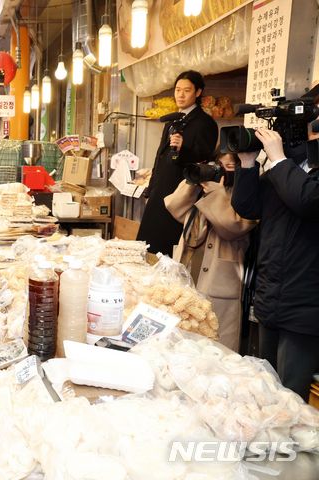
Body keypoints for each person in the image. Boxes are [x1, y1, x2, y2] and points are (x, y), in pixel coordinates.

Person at [231, 128, 319, 401]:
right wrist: (247, 163)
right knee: (267, 387)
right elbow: (247, 206)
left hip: (306, 304)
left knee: (291, 395)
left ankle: (293, 444)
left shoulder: (288, 168)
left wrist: (279, 159)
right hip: (271, 295)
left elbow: (307, 200)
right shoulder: (291, 167)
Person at [164, 151, 257, 351]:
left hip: (220, 278)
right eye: (219, 166)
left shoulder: (248, 192)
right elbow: (174, 206)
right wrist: (193, 180)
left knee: (216, 346)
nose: (222, 171)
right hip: (189, 267)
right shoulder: (204, 191)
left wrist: (217, 194)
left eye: (230, 167)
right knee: (182, 340)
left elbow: (234, 226)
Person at [136, 71, 218, 256]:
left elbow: (205, 159)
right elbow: (160, 157)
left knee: (167, 249)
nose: (180, 95)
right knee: (147, 247)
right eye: (178, 90)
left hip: (180, 194)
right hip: (160, 190)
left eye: (186, 90)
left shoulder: (205, 123)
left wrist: (184, 149)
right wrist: (150, 189)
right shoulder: (172, 120)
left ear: (198, 92)